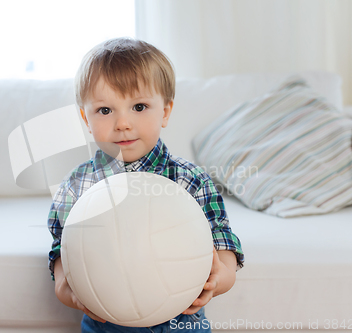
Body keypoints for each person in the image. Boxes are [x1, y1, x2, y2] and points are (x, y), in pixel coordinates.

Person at [48, 37, 244, 332]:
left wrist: (219, 279)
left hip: (181, 321)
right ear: (85, 119)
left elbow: (223, 245)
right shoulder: (77, 187)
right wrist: (69, 291)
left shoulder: (190, 180)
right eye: (105, 110)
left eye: (139, 106)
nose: (123, 123)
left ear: (165, 111)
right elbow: (62, 254)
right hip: (105, 323)